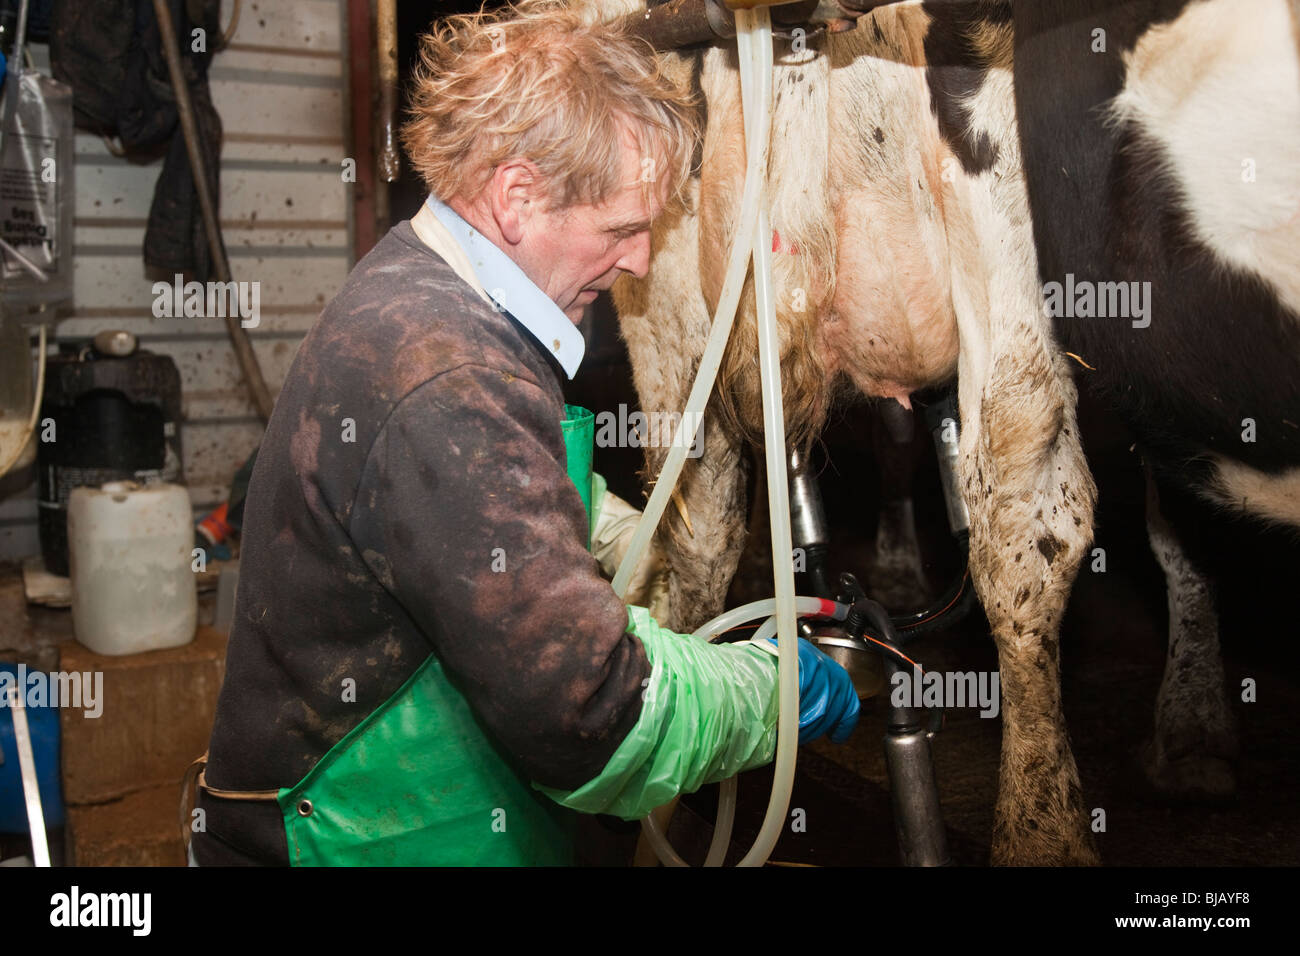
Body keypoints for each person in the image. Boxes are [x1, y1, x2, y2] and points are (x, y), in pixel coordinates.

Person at [190, 1, 859, 867]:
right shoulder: (452, 376)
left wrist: (609, 535)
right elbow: (596, 723)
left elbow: (476, 521)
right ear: (517, 197)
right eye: (622, 228)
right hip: (350, 840)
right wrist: (771, 692)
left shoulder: (423, 290)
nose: (642, 262)